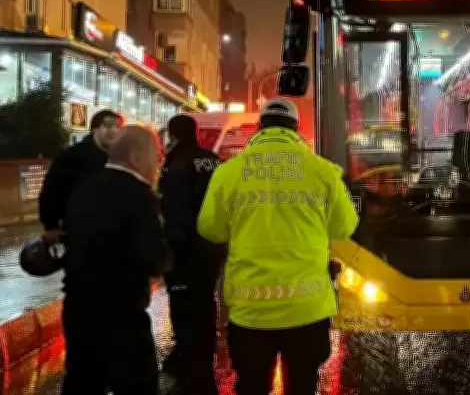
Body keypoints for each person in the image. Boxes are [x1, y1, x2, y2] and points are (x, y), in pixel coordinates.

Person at [197, 98, 359, 395]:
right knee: (302, 385)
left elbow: (211, 230)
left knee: (252, 386)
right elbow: (344, 227)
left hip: (251, 309)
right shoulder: (323, 172)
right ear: (296, 129)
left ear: (259, 127)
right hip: (307, 309)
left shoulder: (229, 173)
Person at [60, 125, 172, 395]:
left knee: (82, 384)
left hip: (78, 309)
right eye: (156, 153)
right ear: (135, 157)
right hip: (121, 315)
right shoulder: (139, 195)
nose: (160, 161)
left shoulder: (85, 186)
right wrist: (168, 258)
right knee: (138, 386)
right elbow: (153, 258)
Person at [158, 114, 224, 394]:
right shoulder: (213, 160)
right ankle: (204, 358)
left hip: (187, 250)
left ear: (173, 134)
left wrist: (170, 251)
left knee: (183, 308)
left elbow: (176, 210)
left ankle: (190, 365)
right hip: (213, 246)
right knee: (205, 301)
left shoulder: (176, 163)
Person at [38, 109, 122, 243]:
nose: (114, 130)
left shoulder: (119, 158)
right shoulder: (71, 156)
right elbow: (52, 192)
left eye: (117, 126)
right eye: (107, 126)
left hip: (111, 234)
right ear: (94, 129)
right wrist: (51, 225)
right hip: (78, 232)